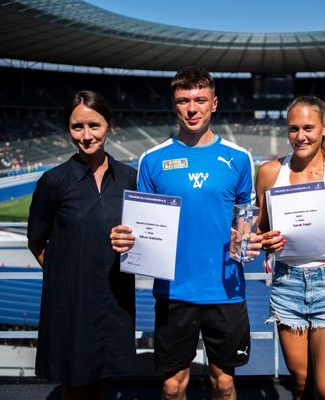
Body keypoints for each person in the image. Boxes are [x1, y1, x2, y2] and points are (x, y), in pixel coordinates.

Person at [109, 66, 260, 400]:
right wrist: (127, 240)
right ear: (174, 105)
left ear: (214, 103)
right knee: (172, 386)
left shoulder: (239, 158)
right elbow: (142, 225)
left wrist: (248, 239)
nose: (192, 108)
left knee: (223, 383)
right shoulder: (152, 160)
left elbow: (246, 217)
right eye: (184, 100)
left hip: (226, 290)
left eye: (200, 99)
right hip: (174, 291)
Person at [27, 90, 137, 400]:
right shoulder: (53, 181)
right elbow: (36, 240)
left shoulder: (131, 179)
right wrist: (65, 277)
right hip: (72, 303)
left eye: (94, 125)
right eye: (78, 127)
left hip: (116, 299)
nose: (86, 136)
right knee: (74, 385)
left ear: (109, 126)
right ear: (68, 130)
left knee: (106, 379)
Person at [256, 96, 325, 400]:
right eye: (293, 129)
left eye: (308, 127)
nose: (300, 136)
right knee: (302, 384)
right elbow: (261, 229)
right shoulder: (268, 173)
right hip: (287, 284)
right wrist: (265, 240)